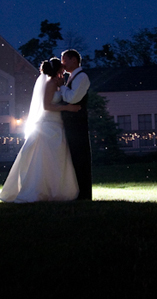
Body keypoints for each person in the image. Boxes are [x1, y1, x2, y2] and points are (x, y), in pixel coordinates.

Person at [0, 58, 81, 203]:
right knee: (45, 157)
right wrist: (67, 107)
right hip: (48, 125)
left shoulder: (57, 84)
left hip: (56, 124)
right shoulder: (50, 84)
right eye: (62, 69)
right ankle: (40, 190)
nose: (63, 71)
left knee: (56, 158)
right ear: (58, 70)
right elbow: (47, 106)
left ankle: (55, 189)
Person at [60, 49, 92, 200]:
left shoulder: (82, 77)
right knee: (74, 158)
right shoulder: (73, 77)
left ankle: (84, 194)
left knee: (81, 157)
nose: (63, 63)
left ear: (74, 60)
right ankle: (77, 192)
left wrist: (62, 87)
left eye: (64, 60)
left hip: (78, 124)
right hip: (72, 124)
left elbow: (73, 98)